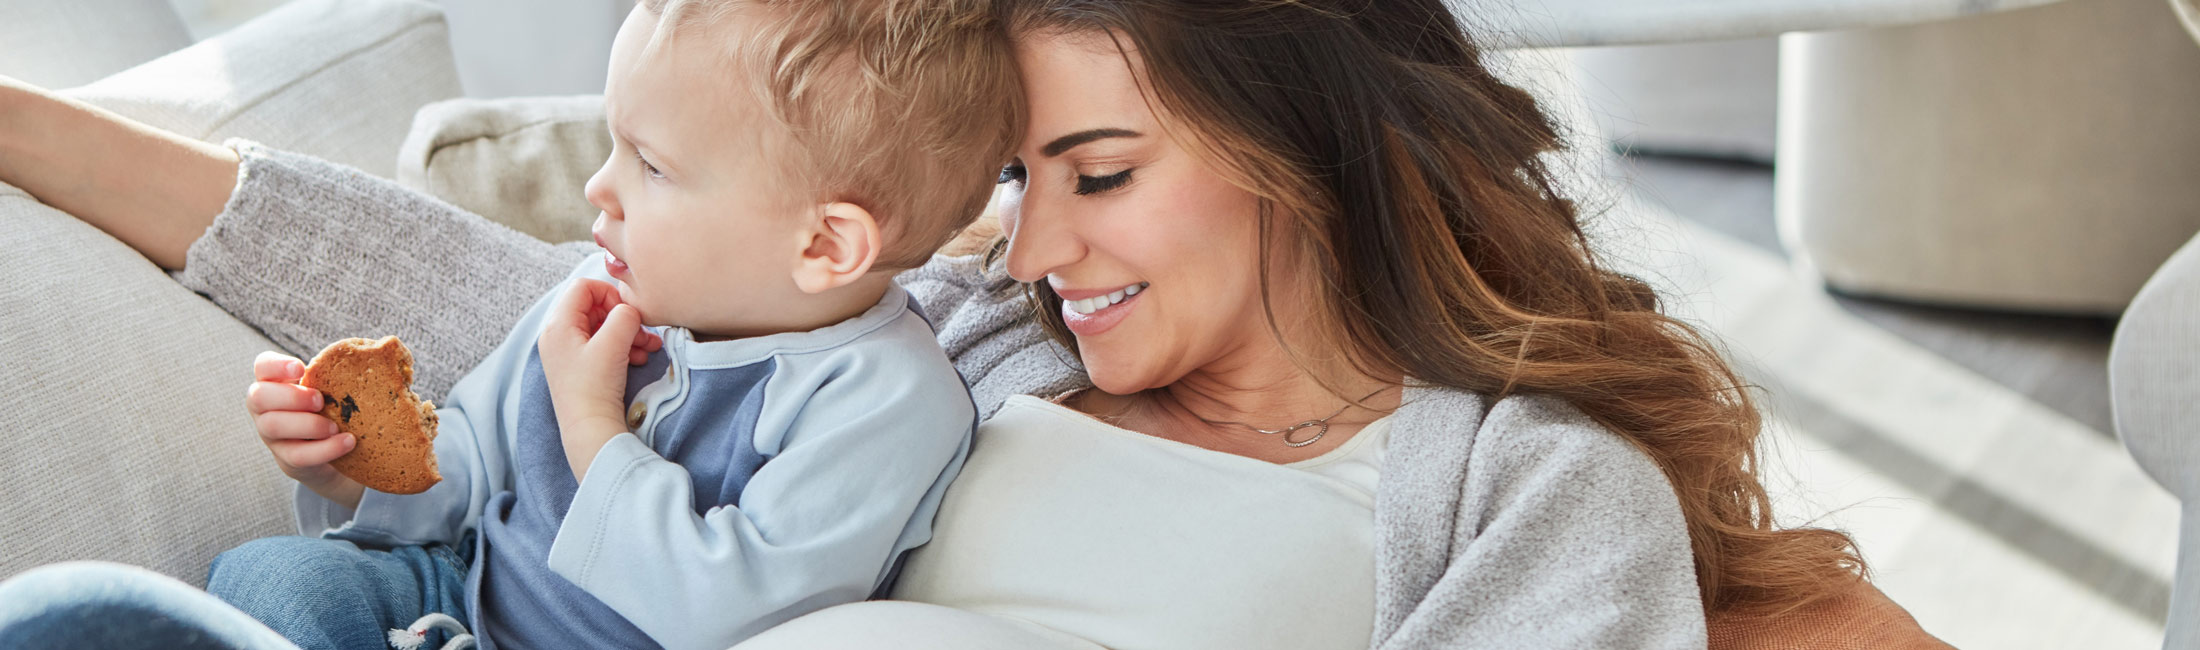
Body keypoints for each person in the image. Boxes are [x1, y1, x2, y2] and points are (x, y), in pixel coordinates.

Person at [0, 0, 1872, 647]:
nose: (1033, 237)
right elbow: (504, 311)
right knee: (90, 619)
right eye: (1016, 178)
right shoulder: (985, 337)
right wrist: (28, 127)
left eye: (1100, 171)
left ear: (1314, 158)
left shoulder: (1521, 483)